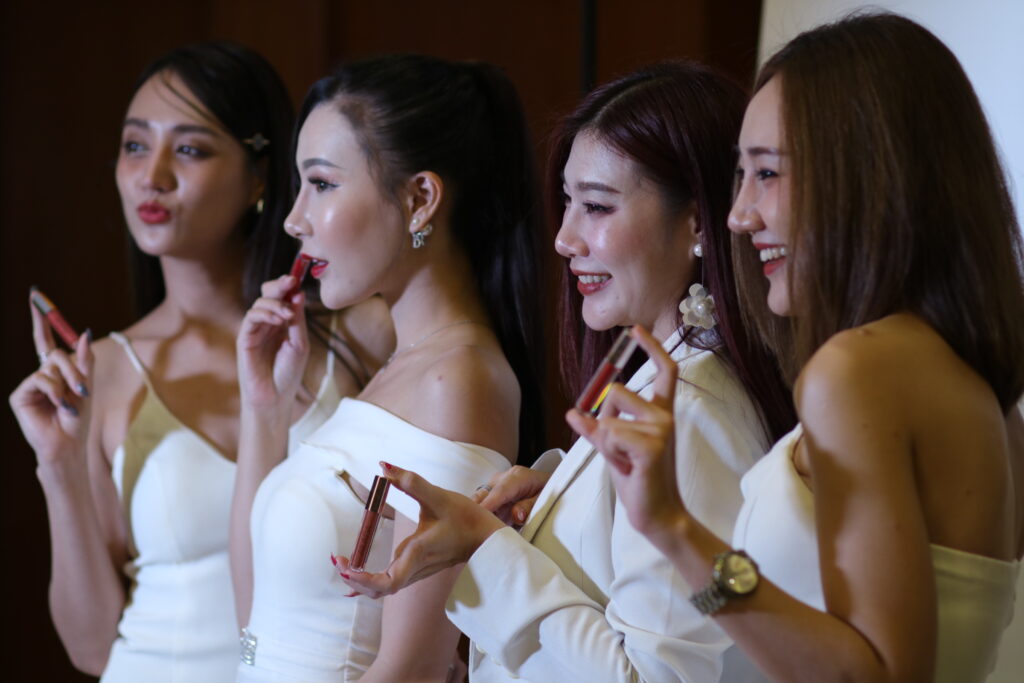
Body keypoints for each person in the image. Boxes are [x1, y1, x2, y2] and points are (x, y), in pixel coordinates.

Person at [570, 13, 1024, 683]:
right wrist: (676, 536)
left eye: (768, 173)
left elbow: (877, 672)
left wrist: (676, 531)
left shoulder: (857, 372)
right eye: (741, 175)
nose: (739, 214)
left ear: (869, 174)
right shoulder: (980, 391)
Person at [336, 61, 795, 682]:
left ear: (695, 222)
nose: (565, 239)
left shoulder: (687, 411)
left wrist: (487, 548)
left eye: (597, 207)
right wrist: (557, 496)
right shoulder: (667, 390)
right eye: (568, 204)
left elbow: (656, 678)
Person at [8, 42, 389, 682]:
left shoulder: (357, 334)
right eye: (135, 145)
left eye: (188, 149)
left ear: (260, 176)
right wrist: (59, 465)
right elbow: (93, 648)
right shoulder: (103, 372)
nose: (152, 175)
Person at [230, 54, 547, 681]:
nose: (293, 219)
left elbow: (413, 667)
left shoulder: (456, 381)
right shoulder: (402, 370)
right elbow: (253, 627)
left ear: (420, 198)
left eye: (322, 184)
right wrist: (264, 410)